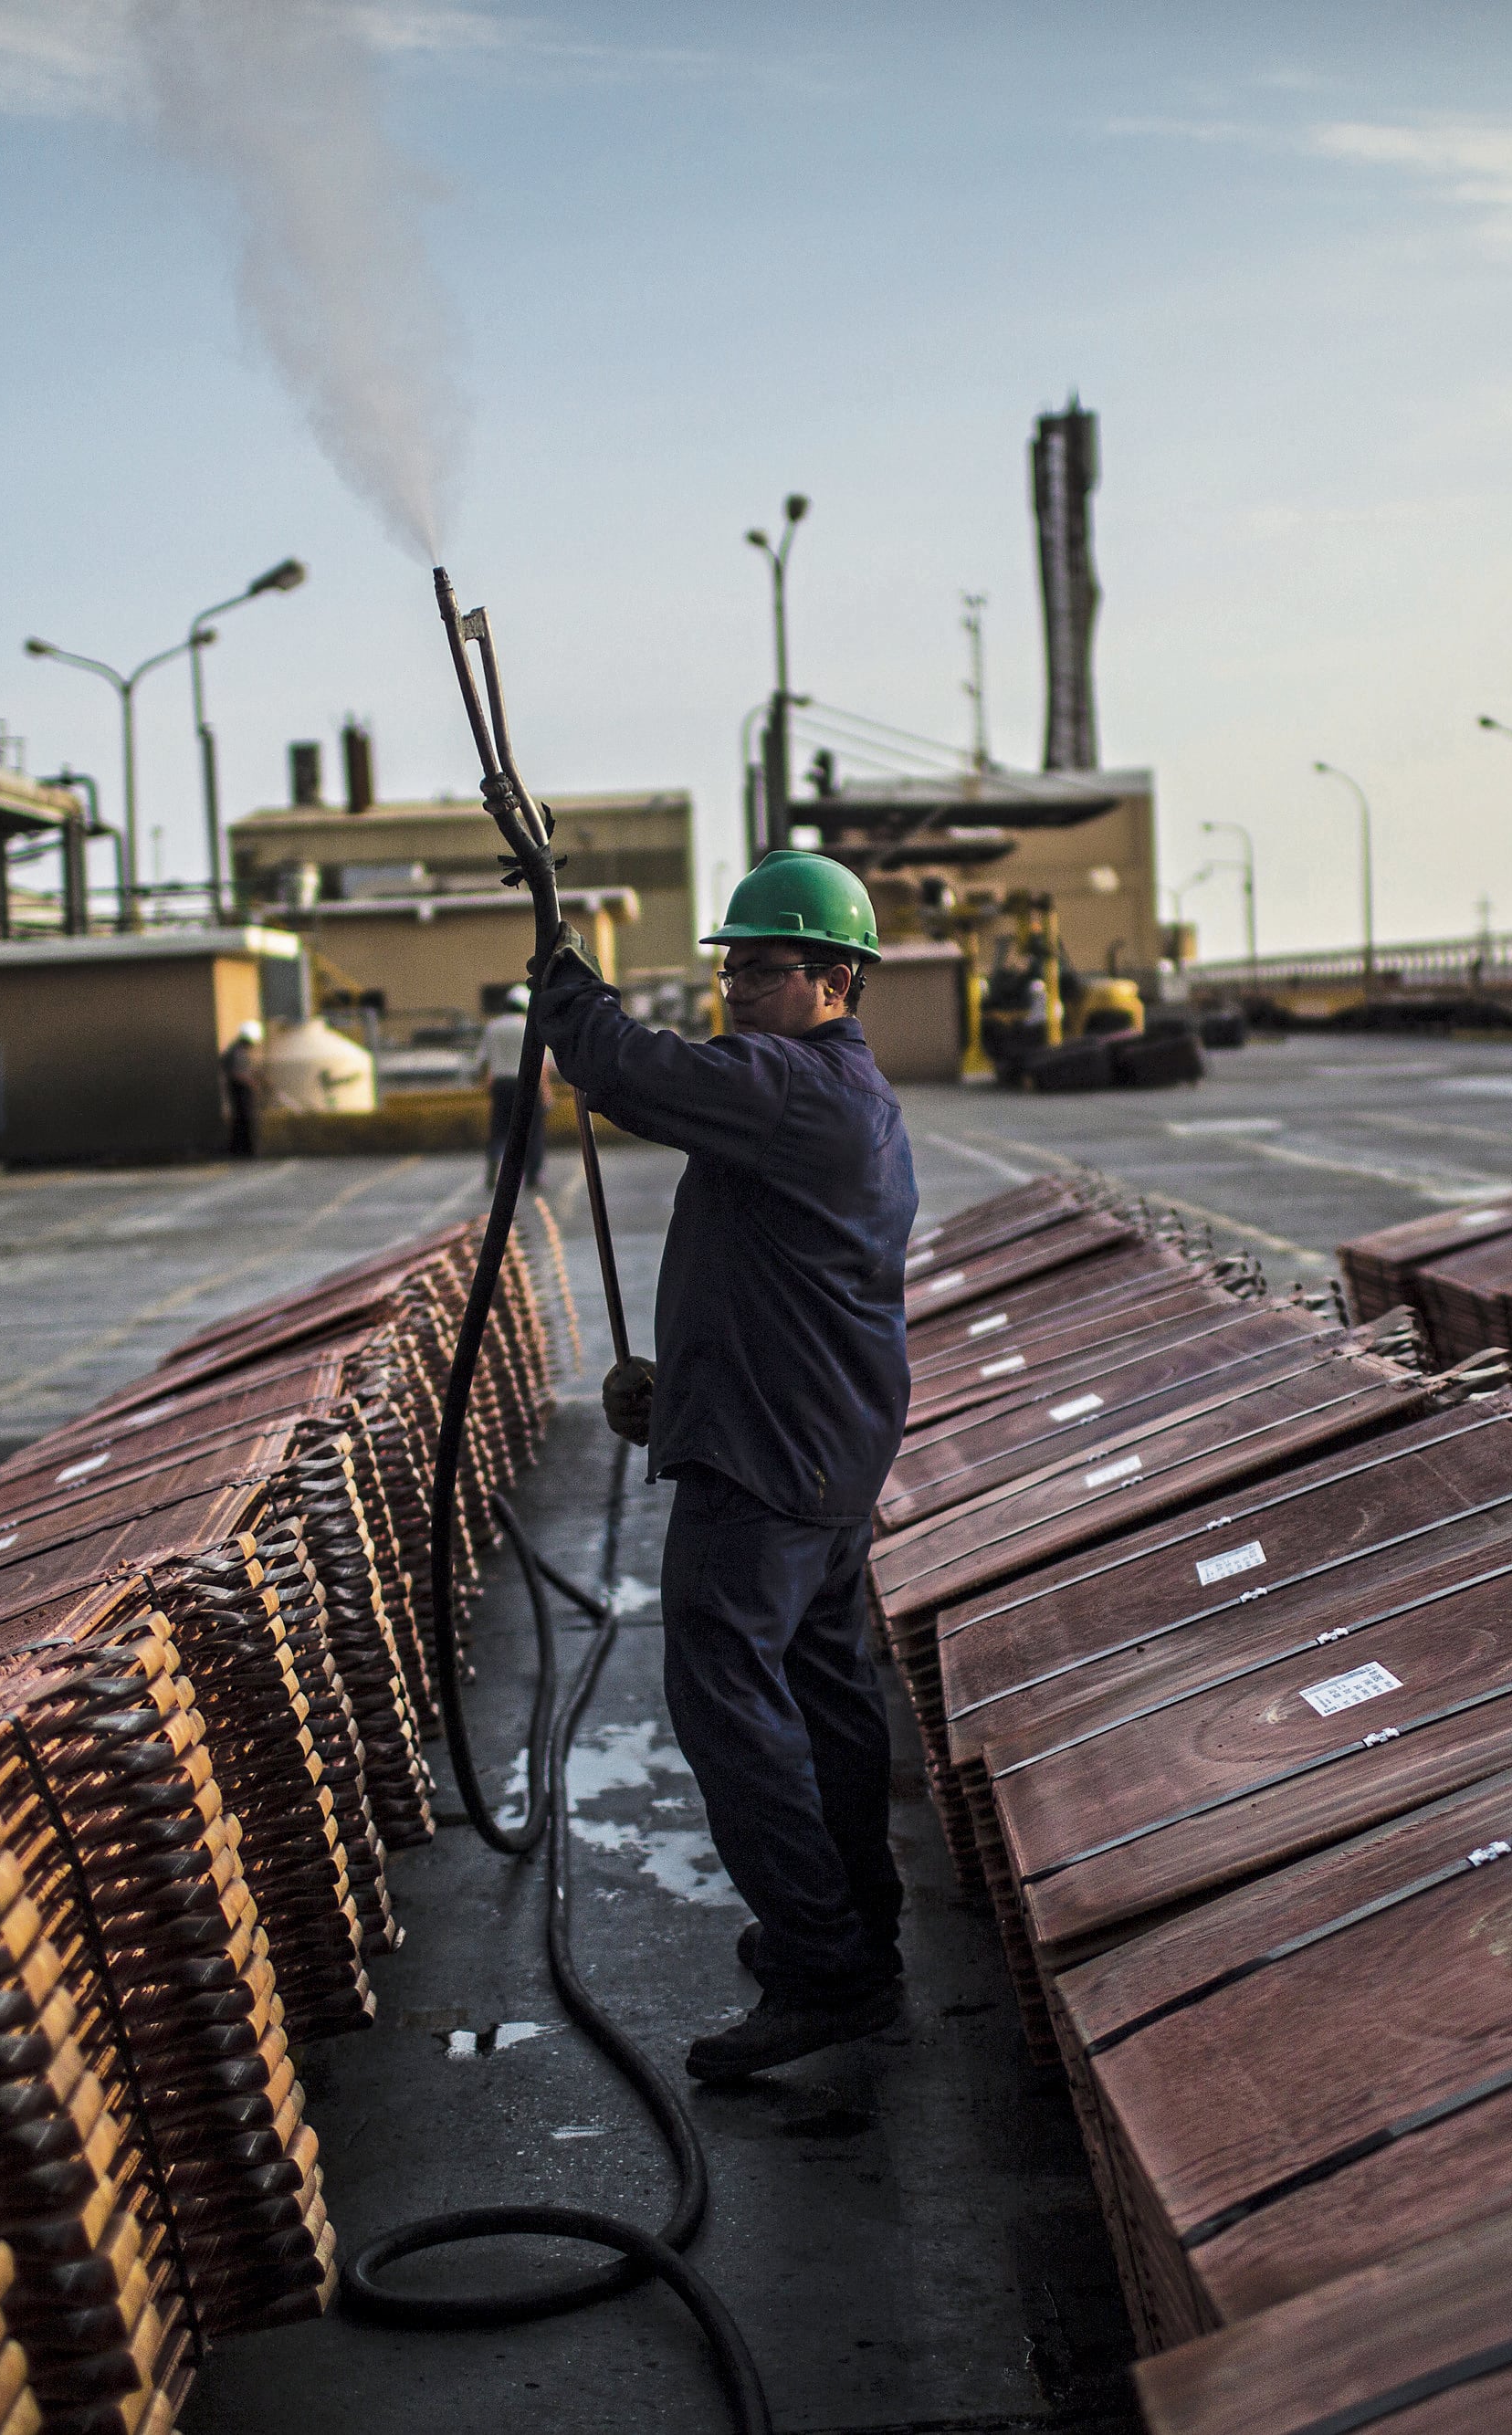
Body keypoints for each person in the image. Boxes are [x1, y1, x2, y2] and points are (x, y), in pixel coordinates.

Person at [533, 848, 916, 2081]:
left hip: (771, 1464)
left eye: (762, 966)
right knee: (824, 1695)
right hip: (809, 1441)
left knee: (724, 1693)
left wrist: (572, 1001)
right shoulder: (834, 1096)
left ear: (837, 977)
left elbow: (632, 1073)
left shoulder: (800, 1086)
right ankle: (859, 1928)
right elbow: (772, 1277)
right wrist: (674, 1389)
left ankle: (823, 1963)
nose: (737, 986)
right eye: (731, 965)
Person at [479, 983, 545, 1191]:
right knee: (531, 1130)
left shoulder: (493, 1027)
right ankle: (532, 1176)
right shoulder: (530, 1026)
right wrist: (546, 1092)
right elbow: (541, 1064)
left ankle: (493, 1169)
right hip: (527, 1083)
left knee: (499, 1129)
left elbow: (484, 1062)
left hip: (501, 1084)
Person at [219, 1021, 263, 1160]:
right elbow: (236, 1073)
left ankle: (243, 1150)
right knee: (243, 1119)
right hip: (240, 1090)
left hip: (243, 1089)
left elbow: (250, 1069)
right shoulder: (237, 1052)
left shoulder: (241, 1050)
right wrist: (252, 1083)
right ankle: (243, 1151)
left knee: (244, 1119)